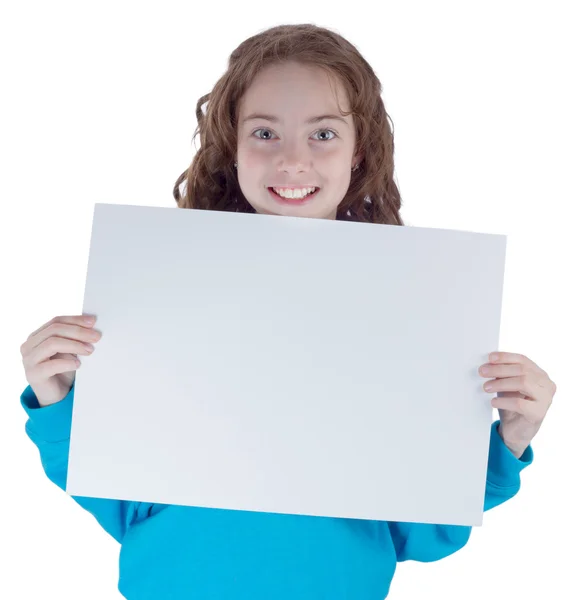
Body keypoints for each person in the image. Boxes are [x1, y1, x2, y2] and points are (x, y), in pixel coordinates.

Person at [20, 23, 556, 600]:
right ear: (232, 147)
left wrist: (508, 441)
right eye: (265, 132)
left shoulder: (420, 312)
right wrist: (59, 401)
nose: (293, 161)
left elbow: (424, 531)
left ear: (361, 153)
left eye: (323, 133)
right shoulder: (157, 291)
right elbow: (119, 502)